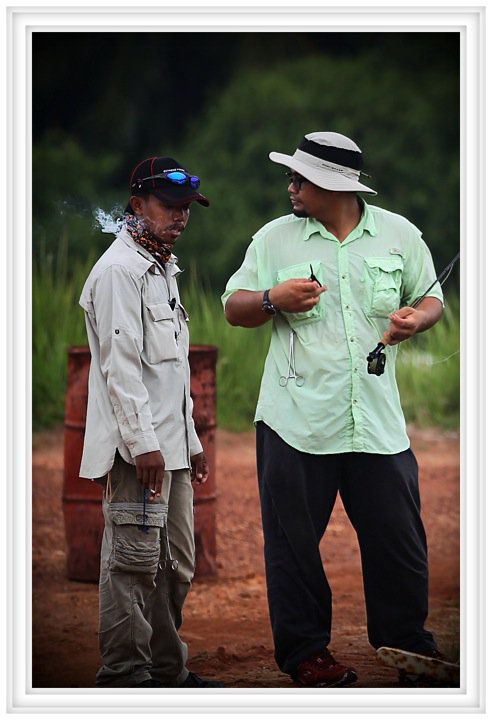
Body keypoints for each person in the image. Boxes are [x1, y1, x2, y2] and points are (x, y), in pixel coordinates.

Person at [222, 131, 452, 688]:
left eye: (299, 178)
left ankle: (406, 644)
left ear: (332, 185)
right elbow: (235, 306)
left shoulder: (400, 234)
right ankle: (306, 653)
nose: (291, 186)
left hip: (376, 419)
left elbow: (431, 297)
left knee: (399, 538)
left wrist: (416, 320)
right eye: (292, 177)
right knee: (293, 546)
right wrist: (274, 299)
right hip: (295, 421)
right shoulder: (274, 239)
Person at [79, 156, 224, 688]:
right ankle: (125, 674)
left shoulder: (163, 266)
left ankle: (167, 670)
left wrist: (189, 443)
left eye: (187, 208)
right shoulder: (120, 271)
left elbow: (170, 374)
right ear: (137, 206)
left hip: (172, 452)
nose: (181, 217)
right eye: (170, 206)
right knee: (134, 566)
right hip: (136, 453)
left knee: (177, 566)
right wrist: (142, 444)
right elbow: (122, 370)